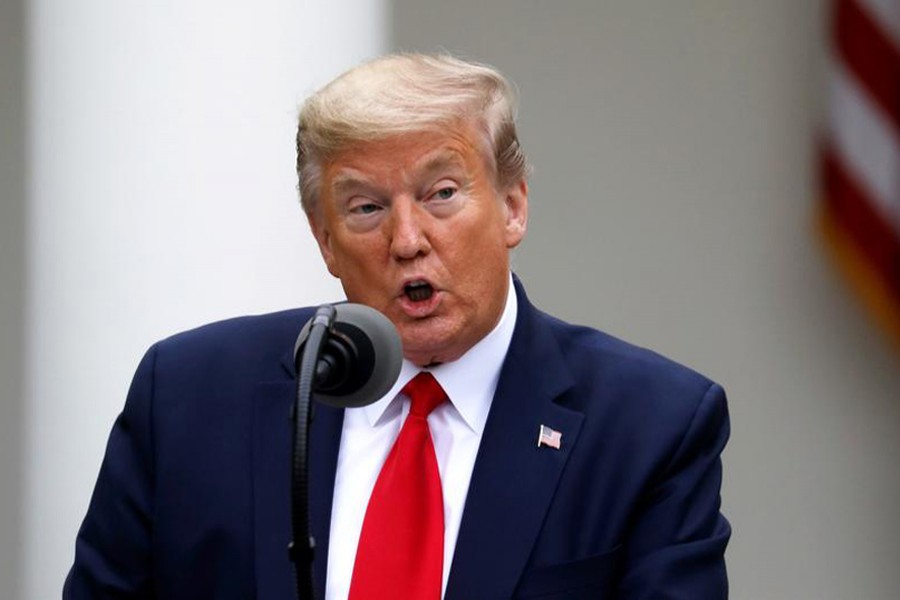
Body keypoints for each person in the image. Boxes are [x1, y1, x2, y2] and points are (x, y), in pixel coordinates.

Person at [64, 53, 730, 600]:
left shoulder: (648, 426)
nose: (407, 240)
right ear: (325, 240)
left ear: (512, 206)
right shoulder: (189, 399)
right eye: (365, 208)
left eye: (442, 193)